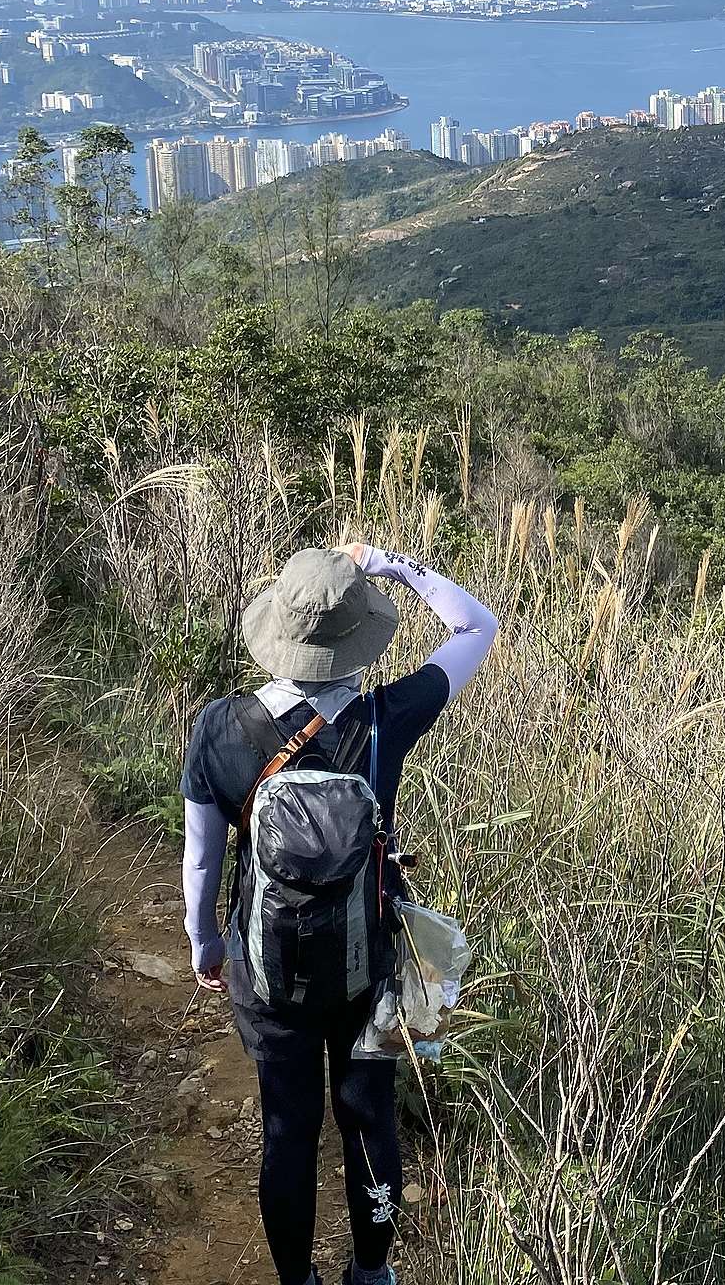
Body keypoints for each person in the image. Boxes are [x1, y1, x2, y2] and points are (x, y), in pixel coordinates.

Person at [181, 541, 500, 1285]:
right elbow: (478, 627)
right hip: (369, 968)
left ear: (277, 632)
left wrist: (205, 945)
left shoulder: (220, 730)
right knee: (368, 1120)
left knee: (287, 1132)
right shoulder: (388, 718)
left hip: (266, 972)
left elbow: (201, 861)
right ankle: (372, 1273)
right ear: (360, 637)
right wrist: (392, 564)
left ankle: (299, 1281)